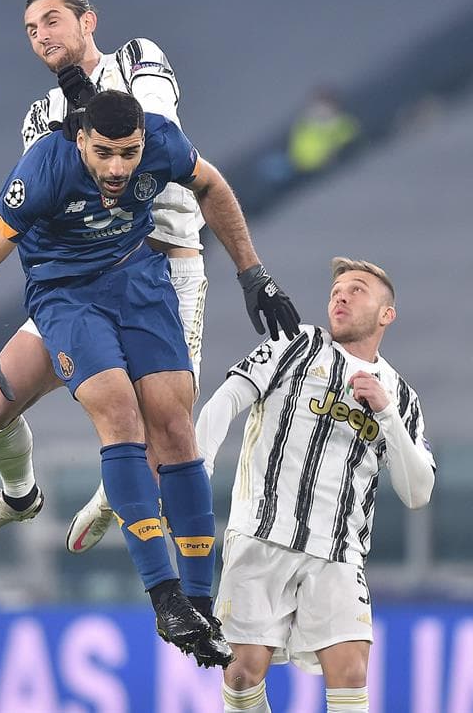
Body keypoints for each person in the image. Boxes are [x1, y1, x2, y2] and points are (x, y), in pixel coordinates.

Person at [0, 89, 299, 667]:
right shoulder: (43, 167)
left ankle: (199, 602)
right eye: (105, 154)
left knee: (175, 427)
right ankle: (164, 595)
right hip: (66, 297)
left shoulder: (164, 140)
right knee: (120, 415)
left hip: (139, 279)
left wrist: (254, 276)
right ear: (82, 140)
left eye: (129, 154)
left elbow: (212, 186)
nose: (118, 168)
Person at [0, 0, 215, 555]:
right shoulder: (38, 116)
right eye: (30, 29)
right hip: (84, 279)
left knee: (168, 434)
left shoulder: (138, 59)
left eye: (52, 21)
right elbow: (53, 192)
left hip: (167, 266)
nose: (42, 36)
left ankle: (116, 493)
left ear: (88, 21)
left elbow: (143, 133)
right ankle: (18, 495)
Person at [195, 257, 435, 712]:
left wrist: (386, 415)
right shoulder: (295, 343)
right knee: (243, 675)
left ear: (387, 314)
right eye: (336, 290)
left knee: (351, 674)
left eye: (357, 289)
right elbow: (224, 402)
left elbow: (417, 491)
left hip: (339, 551)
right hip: (262, 533)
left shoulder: (401, 395)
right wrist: (197, 472)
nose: (341, 295)